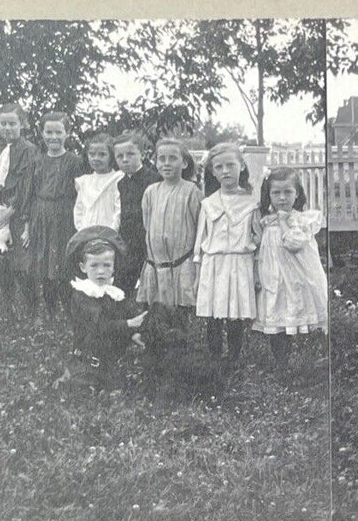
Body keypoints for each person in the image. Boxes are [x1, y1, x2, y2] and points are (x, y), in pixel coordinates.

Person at [253, 165, 328, 364]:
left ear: (297, 194)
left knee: (297, 309)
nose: (282, 198)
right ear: (269, 195)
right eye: (276, 193)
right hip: (273, 275)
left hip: (296, 277)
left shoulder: (301, 220)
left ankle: (308, 358)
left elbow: (293, 243)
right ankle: (281, 360)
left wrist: (285, 221)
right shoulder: (267, 221)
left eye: (288, 192)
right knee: (276, 313)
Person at [194, 141, 261, 362]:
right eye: (219, 167)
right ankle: (214, 358)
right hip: (213, 264)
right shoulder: (208, 203)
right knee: (213, 314)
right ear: (213, 172)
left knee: (235, 313)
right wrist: (197, 271)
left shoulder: (251, 204)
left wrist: (257, 271)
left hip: (239, 264)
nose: (225, 171)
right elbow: (201, 240)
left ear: (241, 166)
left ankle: (233, 358)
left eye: (230, 165)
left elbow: (258, 240)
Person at [63, 225, 147, 393]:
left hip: (109, 359)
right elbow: (100, 325)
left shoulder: (113, 293)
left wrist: (134, 334)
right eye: (94, 266)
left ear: (114, 267)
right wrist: (129, 324)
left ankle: (108, 378)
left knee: (119, 389)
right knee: (85, 391)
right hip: (87, 360)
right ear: (82, 267)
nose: (101, 272)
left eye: (107, 265)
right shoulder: (82, 294)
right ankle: (77, 377)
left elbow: (124, 312)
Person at [0, 101, 37, 321]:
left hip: (17, 212)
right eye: (3, 124)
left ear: (23, 124)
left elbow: (27, 184)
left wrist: (11, 211)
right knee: (2, 261)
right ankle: (8, 307)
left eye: (13, 123)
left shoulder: (28, 151)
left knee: (21, 263)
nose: (8, 128)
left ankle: (31, 308)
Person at [25, 111, 87, 316]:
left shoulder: (74, 161)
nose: (53, 136)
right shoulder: (37, 161)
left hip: (64, 215)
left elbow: (82, 194)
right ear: (41, 133)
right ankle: (51, 310)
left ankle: (70, 309)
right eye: (48, 132)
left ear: (67, 133)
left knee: (63, 262)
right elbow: (30, 192)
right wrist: (28, 223)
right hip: (41, 215)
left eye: (58, 132)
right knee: (43, 263)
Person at [136, 137, 202, 314]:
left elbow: (199, 228)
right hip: (155, 265)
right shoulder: (151, 191)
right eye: (161, 159)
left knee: (179, 320)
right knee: (156, 318)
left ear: (185, 163)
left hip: (182, 264)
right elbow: (147, 224)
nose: (166, 163)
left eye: (172, 158)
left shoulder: (192, 191)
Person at [112, 132, 158, 293]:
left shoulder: (154, 180)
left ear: (142, 154)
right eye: (120, 156)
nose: (125, 159)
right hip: (128, 243)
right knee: (122, 286)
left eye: (130, 154)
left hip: (148, 242)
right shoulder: (121, 183)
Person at [73, 134, 124, 231]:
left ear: (111, 156)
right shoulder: (84, 181)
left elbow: (118, 211)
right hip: (87, 232)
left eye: (102, 154)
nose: (96, 158)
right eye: (92, 154)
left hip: (109, 233)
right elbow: (79, 210)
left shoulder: (118, 179)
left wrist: (110, 233)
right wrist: (82, 230)